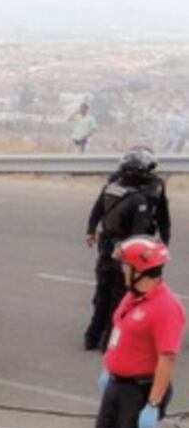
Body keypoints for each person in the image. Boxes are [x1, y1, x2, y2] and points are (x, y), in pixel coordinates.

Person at [71, 237, 184, 428]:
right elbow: (120, 334)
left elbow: (166, 359)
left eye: (126, 264)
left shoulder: (166, 307)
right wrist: (109, 369)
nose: (122, 268)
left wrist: (153, 404)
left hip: (140, 392)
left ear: (140, 269)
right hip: (117, 386)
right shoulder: (131, 298)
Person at [84, 147, 171, 350]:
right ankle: (101, 337)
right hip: (127, 247)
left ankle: (98, 336)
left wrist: (165, 244)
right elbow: (100, 207)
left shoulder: (155, 186)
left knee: (111, 291)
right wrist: (91, 229)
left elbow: (163, 217)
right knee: (113, 293)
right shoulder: (127, 190)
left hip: (122, 246)